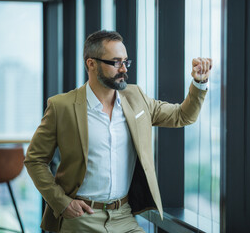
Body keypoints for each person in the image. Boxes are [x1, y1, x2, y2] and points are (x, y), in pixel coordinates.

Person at [24, 30, 211, 232]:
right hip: (81, 217)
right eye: (115, 62)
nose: (123, 69)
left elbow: (182, 116)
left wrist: (199, 83)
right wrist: (61, 202)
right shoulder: (62, 106)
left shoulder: (136, 97)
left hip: (123, 215)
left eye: (125, 62)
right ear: (91, 64)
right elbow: (35, 160)